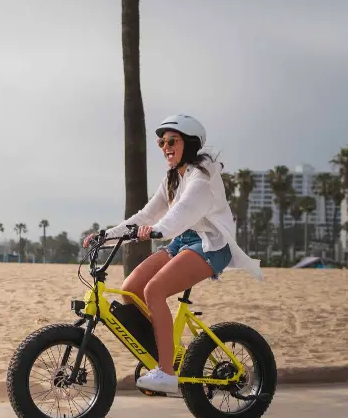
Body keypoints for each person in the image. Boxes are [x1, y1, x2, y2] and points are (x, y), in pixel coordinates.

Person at [83, 114, 263, 394]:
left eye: (171, 141)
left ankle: (166, 372)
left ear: (189, 143)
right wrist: (106, 236)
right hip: (182, 240)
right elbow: (145, 214)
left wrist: (156, 230)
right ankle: (163, 352)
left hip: (210, 244)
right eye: (161, 142)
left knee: (154, 290)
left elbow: (183, 212)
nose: (164, 146)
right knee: (131, 290)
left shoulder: (202, 176)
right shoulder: (172, 178)